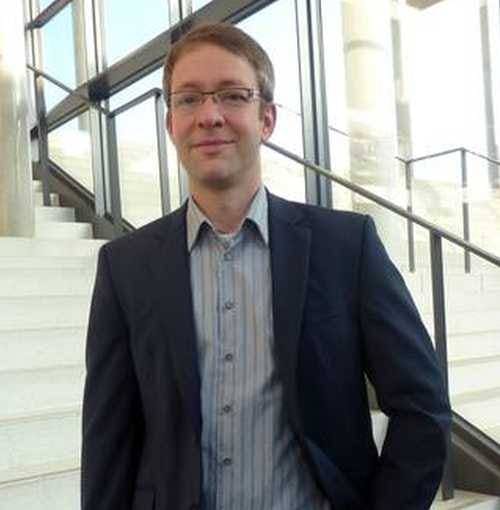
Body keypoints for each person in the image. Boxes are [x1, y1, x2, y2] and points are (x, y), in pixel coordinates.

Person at [81, 23, 451, 510]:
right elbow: (108, 441)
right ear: (170, 123)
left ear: (267, 119)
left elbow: (422, 408)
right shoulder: (125, 266)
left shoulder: (347, 248)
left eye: (232, 96)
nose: (209, 116)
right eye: (188, 99)